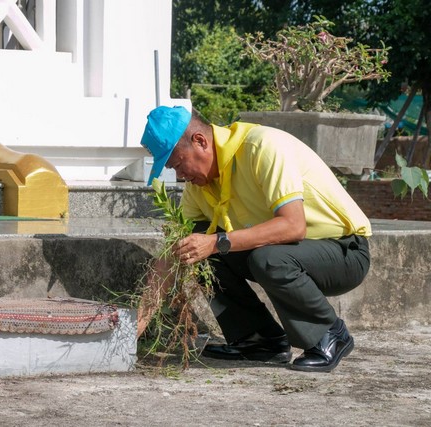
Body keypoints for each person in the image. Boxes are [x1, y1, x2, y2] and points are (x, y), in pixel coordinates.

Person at [139, 105, 371, 373]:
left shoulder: (262, 147)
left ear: (200, 141)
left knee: (262, 258)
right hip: (289, 253)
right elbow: (173, 254)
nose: (180, 175)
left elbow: (294, 226)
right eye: (172, 169)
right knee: (196, 252)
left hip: (344, 251)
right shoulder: (199, 187)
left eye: (178, 164)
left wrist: (216, 242)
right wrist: (138, 324)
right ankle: (259, 340)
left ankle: (329, 334)